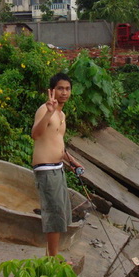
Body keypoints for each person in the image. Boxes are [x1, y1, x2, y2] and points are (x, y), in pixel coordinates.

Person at [31, 73, 84, 258]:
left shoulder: (62, 114)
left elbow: (57, 143)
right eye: (60, 88)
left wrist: (71, 161)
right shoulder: (45, 110)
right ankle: (52, 260)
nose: (64, 92)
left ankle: (52, 256)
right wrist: (48, 112)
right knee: (54, 213)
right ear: (52, 91)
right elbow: (36, 134)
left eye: (67, 89)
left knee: (61, 213)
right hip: (46, 169)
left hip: (58, 168)